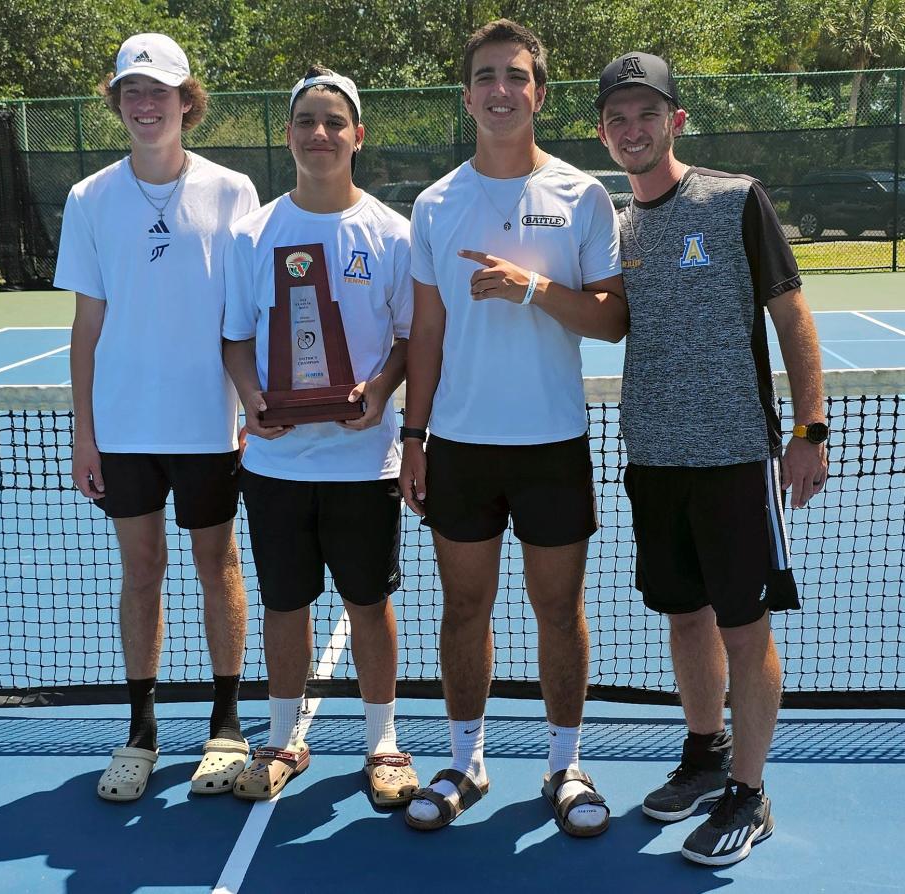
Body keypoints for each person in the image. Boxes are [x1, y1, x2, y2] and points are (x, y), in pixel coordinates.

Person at [595, 52, 828, 865]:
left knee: (744, 626)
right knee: (685, 617)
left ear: (675, 120)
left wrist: (809, 431)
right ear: (602, 131)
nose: (634, 129)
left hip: (735, 460)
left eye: (646, 114)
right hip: (652, 461)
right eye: (618, 118)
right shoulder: (616, 225)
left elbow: (793, 317)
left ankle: (750, 792)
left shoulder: (734, 200)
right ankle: (705, 754)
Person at [399, 20, 628, 835]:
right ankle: (467, 760)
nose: (502, 89)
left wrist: (531, 288)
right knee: (464, 609)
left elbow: (610, 320)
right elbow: (424, 336)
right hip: (459, 450)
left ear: (539, 93)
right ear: (466, 96)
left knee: (558, 609)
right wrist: (413, 438)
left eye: (517, 76)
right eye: (486, 76)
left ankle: (565, 765)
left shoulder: (583, 195)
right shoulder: (435, 204)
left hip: (553, 448)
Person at [55, 33, 259, 802]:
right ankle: (140, 732)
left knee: (220, 569)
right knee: (140, 573)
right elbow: (87, 325)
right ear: (118, 102)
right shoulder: (89, 197)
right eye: (132, 92)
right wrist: (85, 432)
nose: (146, 105)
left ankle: (227, 725)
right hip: (124, 429)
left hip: (211, 426)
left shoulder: (234, 190)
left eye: (160, 92)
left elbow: (246, 315)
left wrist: (248, 404)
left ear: (186, 102)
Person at [222, 66, 418, 807]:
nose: (321, 134)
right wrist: (251, 399)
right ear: (290, 134)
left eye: (335, 121)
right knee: (284, 605)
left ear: (358, 135)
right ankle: (280, 740)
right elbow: (236, 339)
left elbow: (406, 339)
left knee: (370, 604)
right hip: (275, 463)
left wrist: (380, 390)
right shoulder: (253, 233)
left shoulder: (392, 235)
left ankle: (384, 744)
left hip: (365, 461)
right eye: (306, 120)